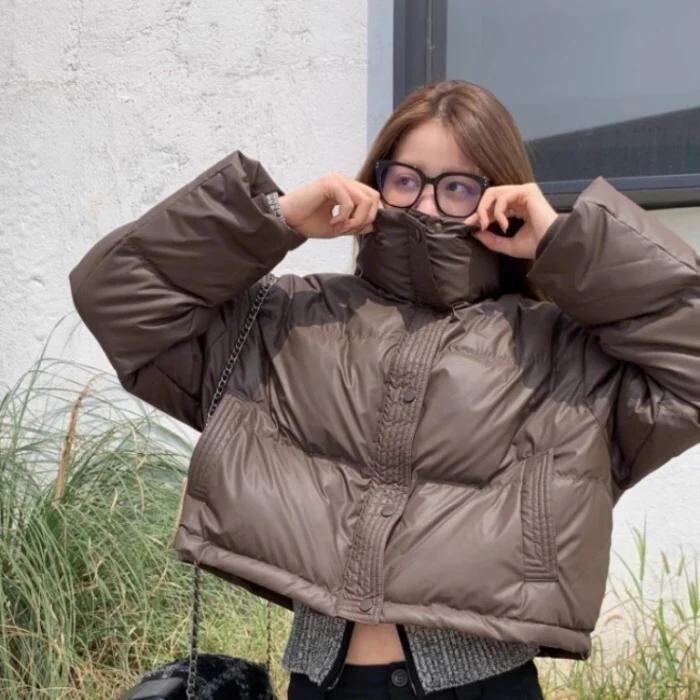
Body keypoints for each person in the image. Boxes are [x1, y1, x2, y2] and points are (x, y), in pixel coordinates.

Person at [69, 80, 700, 699]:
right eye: (406, 179)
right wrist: (274, 219)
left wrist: (567, 241)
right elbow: (116, 295)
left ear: (498, 198)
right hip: (320, 683)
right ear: (377, 180)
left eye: (457, 187)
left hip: (481, 686)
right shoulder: (288, 322)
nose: (424, 206)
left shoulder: (564, 354)